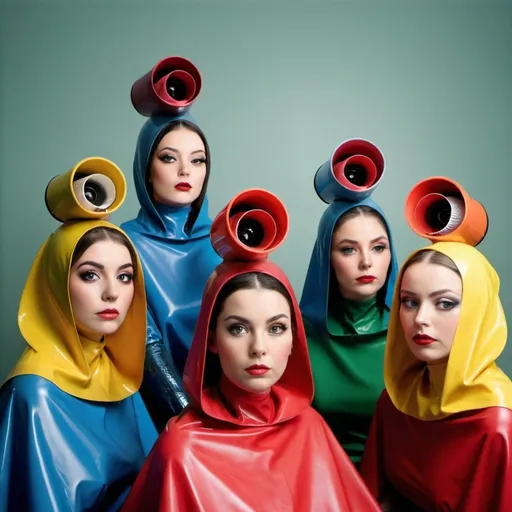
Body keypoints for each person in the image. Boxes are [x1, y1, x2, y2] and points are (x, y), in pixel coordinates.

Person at [121, 191, 380, 511]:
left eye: (276, 328)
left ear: (294, 340)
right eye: (238, 328)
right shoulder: (181, 448)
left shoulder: (310, 429)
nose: (259, 349)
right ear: (211, 338)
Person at [0, 218, 157, 512]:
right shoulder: (34, 395)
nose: (112, 292)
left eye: (125, 276)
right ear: (56, 282)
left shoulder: (116, 371)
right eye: (90, 275)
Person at [359, 240, 512, 511]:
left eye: (444, 303)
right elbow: (370, 498)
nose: (420, 318)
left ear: (478, 310)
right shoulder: (396, 400)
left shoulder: (497, 423)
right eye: (409, 302)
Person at [121, 108, 221, 431]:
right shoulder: (123, 243)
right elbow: (144, 344)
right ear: (145, 169)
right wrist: (188, 417)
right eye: (168, 158)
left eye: (197, 160)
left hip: (232, 404)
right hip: (161, 415)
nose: (185, 171)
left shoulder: (226, 239)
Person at [300, 193, 398, 464]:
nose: (366, 261)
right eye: (348, 249)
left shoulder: (414, 331)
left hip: (399, 485)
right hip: (321, 481)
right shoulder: (297, 334)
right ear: (326, 256)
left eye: (378, 247)